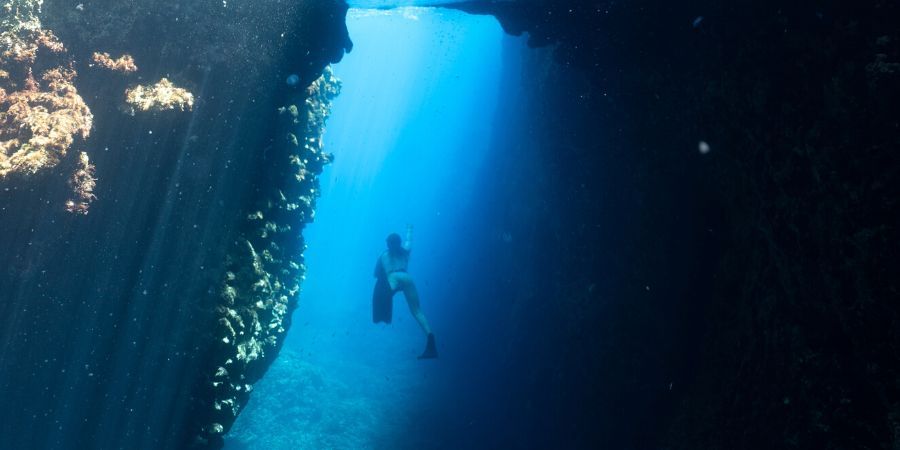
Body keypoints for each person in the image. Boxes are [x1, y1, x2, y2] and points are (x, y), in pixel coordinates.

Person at [373, 224, 438, 359]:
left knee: (379, 290)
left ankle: (382, 318)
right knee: (417, 311)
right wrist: (410, 229)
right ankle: (431, 340)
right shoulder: (405, 251)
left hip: (394, 279)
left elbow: (376, 274)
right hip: (407, 278)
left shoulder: (383, 255)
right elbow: (409, 241)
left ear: (388, 244)